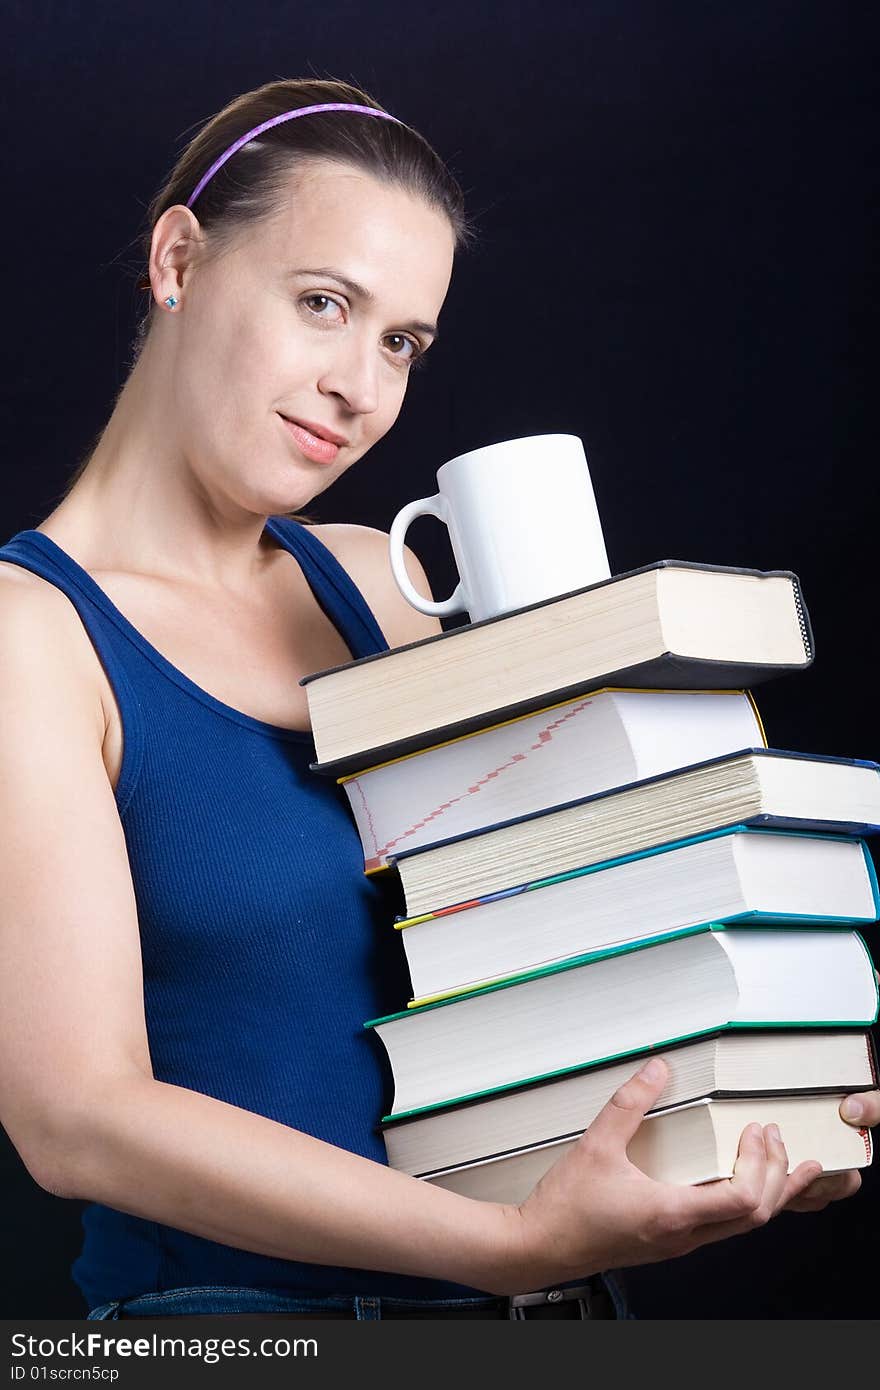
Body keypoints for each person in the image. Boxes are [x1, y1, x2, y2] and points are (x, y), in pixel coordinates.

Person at [0, 76, 876, 1324]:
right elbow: (76, 1119)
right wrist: (499, 1242)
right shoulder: (31, 636)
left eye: (401, 341)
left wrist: (758, 1090)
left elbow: (563, 925)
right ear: (179, 259)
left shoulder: (377, 581)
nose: (360, 386)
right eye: (322, 305)